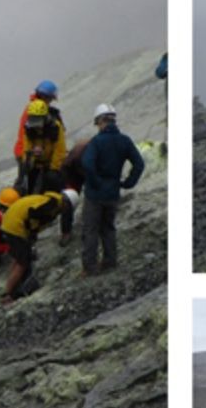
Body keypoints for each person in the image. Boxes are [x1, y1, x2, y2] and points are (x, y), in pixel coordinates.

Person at [80, 104, 145, 276]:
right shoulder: (125, 140)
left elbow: (87, 164)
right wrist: (129, 183)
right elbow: (139, 164)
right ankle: (110, 262)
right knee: (108, 228)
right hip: (113, 192)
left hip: (95, 195)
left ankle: (90, 267)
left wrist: (94, 182)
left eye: (97, 123)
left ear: (101, 121)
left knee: (91, 230)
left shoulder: (96, 142)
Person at [0, 189, 78, 304]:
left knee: (18, 258)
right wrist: (29, 233)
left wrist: (30, 237)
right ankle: (7, 295)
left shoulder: (49, 199)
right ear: (67, 204)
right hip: (15, 227)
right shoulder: (52, 204)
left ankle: (11, 287)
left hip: (9, 223)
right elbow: (32, 213)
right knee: (23, 263)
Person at [13, 80, 63, 190]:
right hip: (26, 153)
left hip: (26, 151)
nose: (50, 102)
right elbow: (28, 135)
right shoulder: (36, 111)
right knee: (25, 185)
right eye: (50, 99)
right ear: (45, 97)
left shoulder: (34, 108)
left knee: (27, 183)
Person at [18, 98, 67, 195]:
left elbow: (60, 150)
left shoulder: (55, 128)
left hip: (51, 163)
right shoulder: (29, 129)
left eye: (38, 120)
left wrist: (54, 169)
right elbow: (27, 148)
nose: (36, 124)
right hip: (36, 162)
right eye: (33, 120)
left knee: (52, 180)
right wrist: (30, 160)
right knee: (27, 182)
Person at [57, 139, 90, 246]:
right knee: (68, 202)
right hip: (71, 173)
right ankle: (66, 232)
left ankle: (91, 219)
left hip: (82, 170)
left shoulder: (93, 148)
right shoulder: (80, 154)